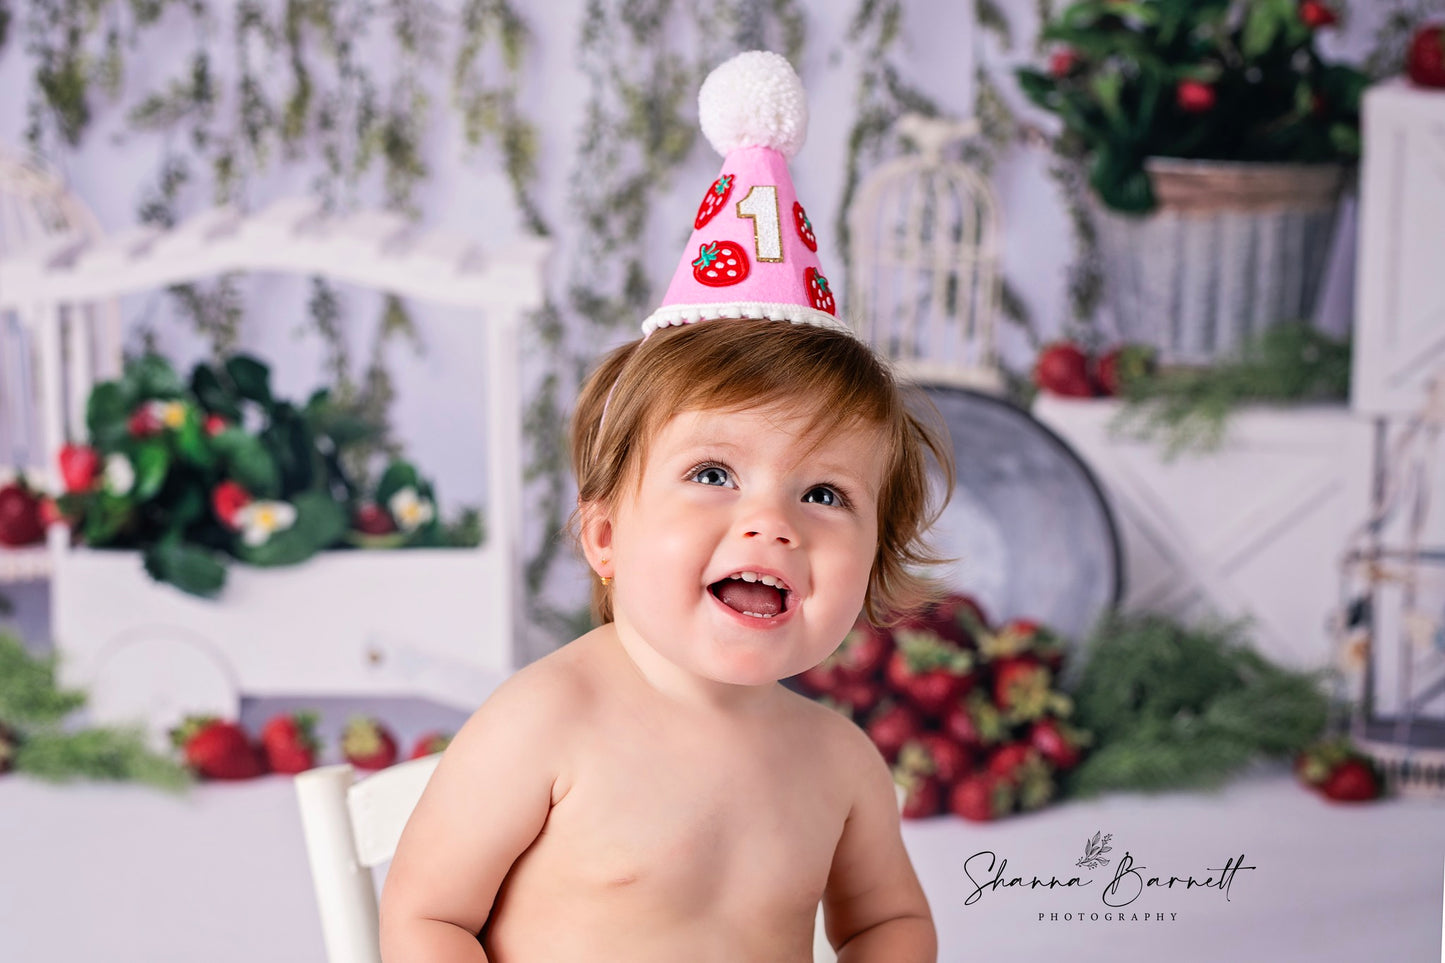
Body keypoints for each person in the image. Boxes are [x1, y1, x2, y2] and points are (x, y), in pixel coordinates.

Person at [379, 51, 952, 963]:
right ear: (605, 535)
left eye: (823, 493)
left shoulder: (837, 763)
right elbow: (426, 917)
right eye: (715, 473)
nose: (773, 522)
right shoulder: (548, 719)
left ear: (874, 561)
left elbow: (889, 923)